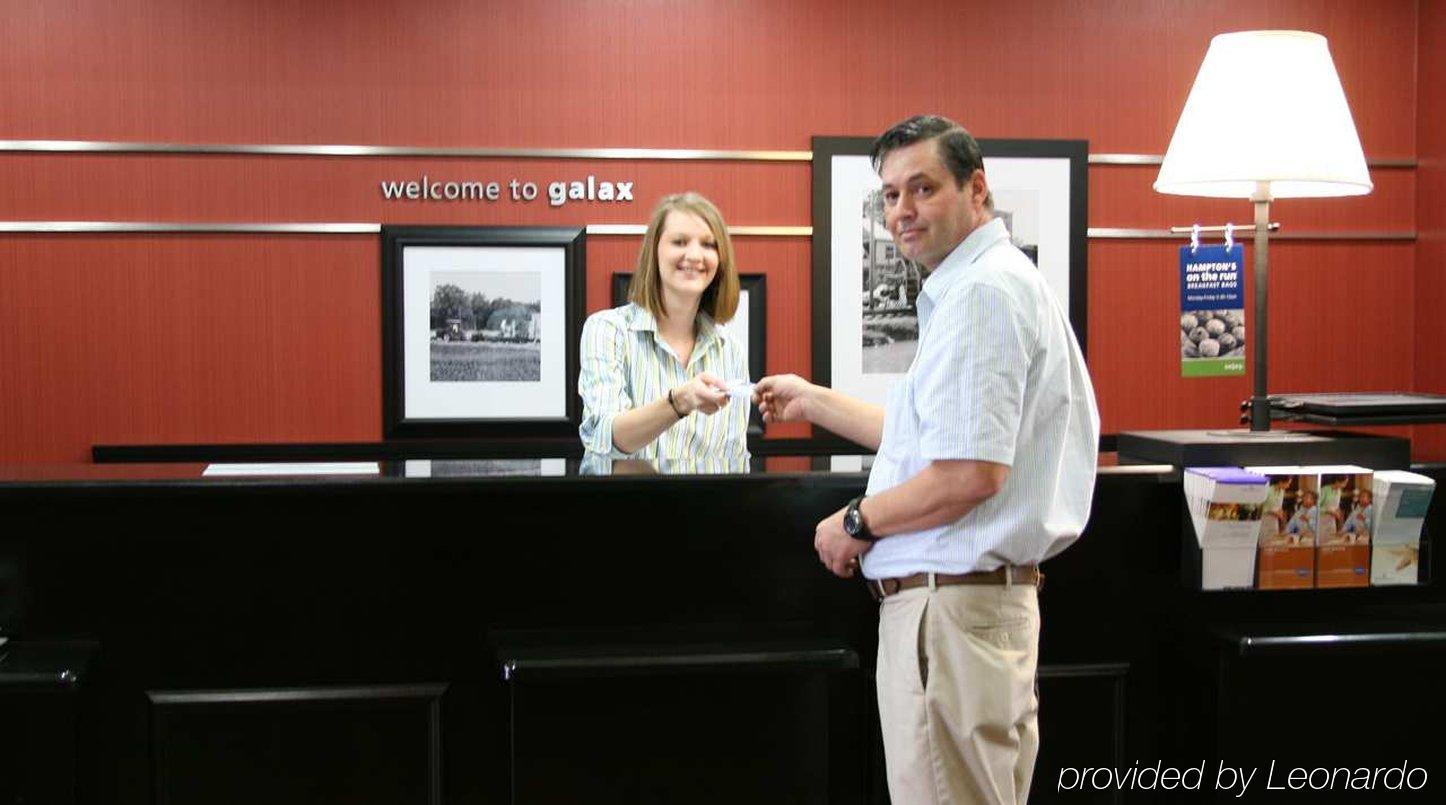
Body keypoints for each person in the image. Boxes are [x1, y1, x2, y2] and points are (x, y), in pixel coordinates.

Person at [754, 115, 1099, 804]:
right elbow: (936, 440)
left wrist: (855, 521)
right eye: (889, 195)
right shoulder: (987, 282)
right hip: (968, 616)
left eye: (922, 188)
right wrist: (812, 400)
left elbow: (969, 473)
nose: (902, 212)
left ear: (977, 189)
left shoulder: (979, 294)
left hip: (949, 619)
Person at [578, 192, 750, 460]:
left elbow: (734, 457)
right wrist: (680, 400)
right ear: (654, 251)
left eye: (708, 244)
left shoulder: (730, 348)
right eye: (679, 241)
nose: (695, 255)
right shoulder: (607, 330)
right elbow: (606, 438)